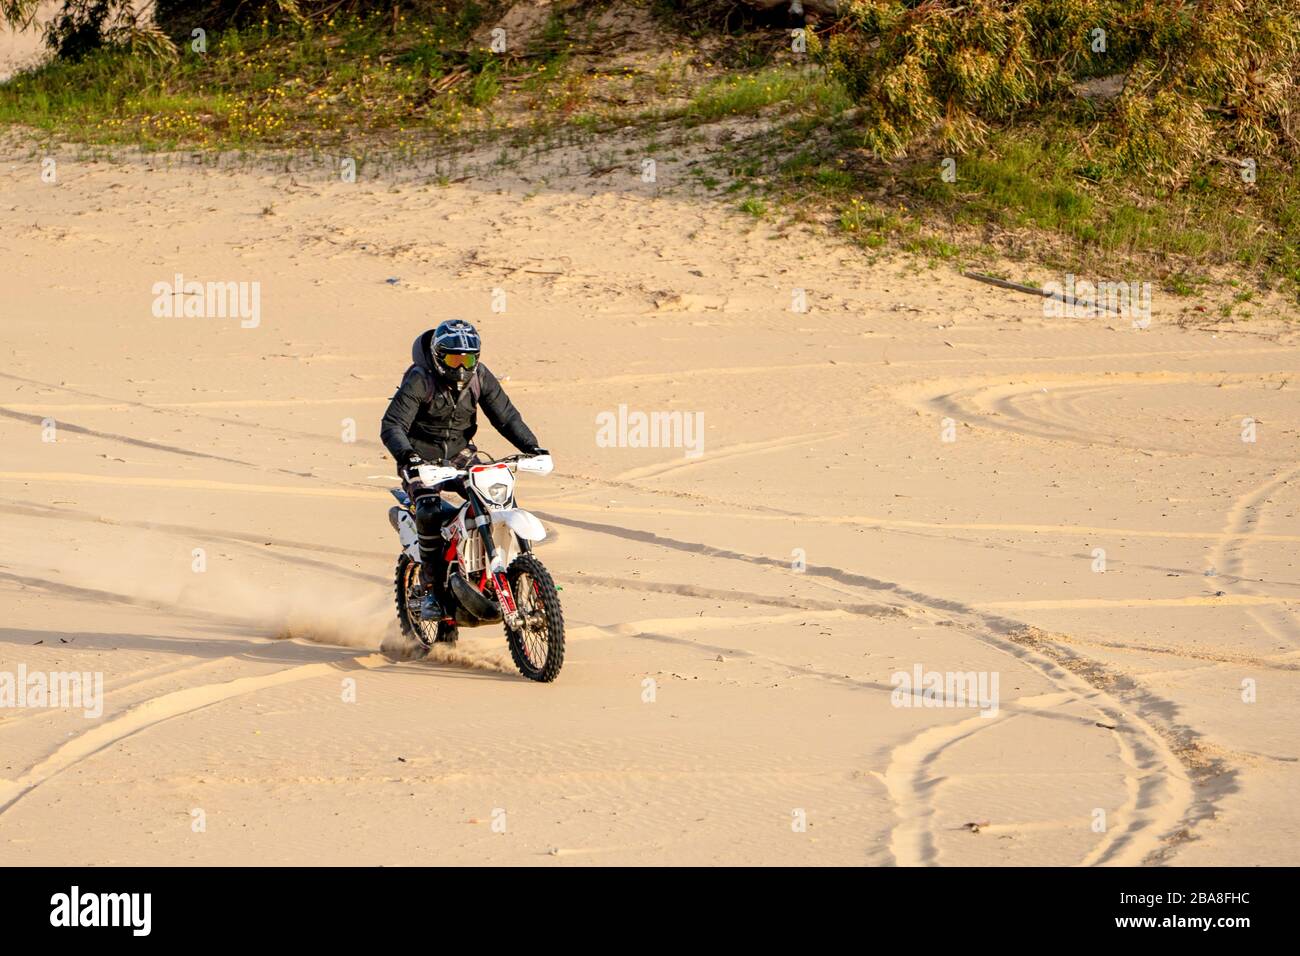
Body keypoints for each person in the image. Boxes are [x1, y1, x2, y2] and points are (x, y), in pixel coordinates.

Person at [380, 320, 547, 621]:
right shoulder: (420, 379)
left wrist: (532, 447)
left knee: (498, 495)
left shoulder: (480, 377)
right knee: (428, 510)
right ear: (437, 355)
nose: (461, 366)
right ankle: (431, 590)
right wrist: (409, 457)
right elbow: (392, 425)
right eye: (453, 358)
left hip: (460, 453)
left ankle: (506, 568)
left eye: (468, 359)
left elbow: (506, 417)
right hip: (420, 456)